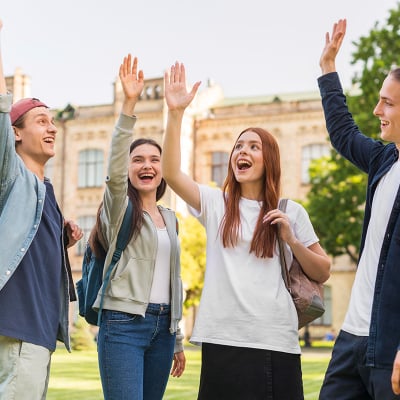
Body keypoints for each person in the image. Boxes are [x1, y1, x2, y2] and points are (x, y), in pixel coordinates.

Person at [162, 62, 331, 400]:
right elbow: (171, 173)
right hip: (222, 339)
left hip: (274, 340)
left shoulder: (290, 211)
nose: (243, 151)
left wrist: (291, 241)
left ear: (268, 160)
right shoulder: (216, 204)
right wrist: (176, 113)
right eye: (239, 146)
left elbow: (322, 270)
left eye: (254, 147)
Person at [93, 54, 185, 400]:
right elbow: (114, 174)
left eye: (154, 160)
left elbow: (173, 278)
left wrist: (175, 337)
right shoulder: (120, 208)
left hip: (162, 329)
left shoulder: (171, 217)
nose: (146, 165)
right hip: (123, 324)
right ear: (129, 169)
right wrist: (129, 106)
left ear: (162, 170)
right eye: (138, 160)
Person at [0, 19, 83, 399]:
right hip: (15, 329)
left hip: (38, 333)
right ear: (16, 132)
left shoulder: (45, 192)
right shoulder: (11, 175)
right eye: (40, 121)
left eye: (53, 122)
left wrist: (59, 240)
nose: (51, 128)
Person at [318, 19, 400, 399]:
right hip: (353, 337)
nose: (376, 107)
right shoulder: (385, 161)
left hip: (390, 348)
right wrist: (328, 70)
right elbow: (344, 133)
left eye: (387, 101)